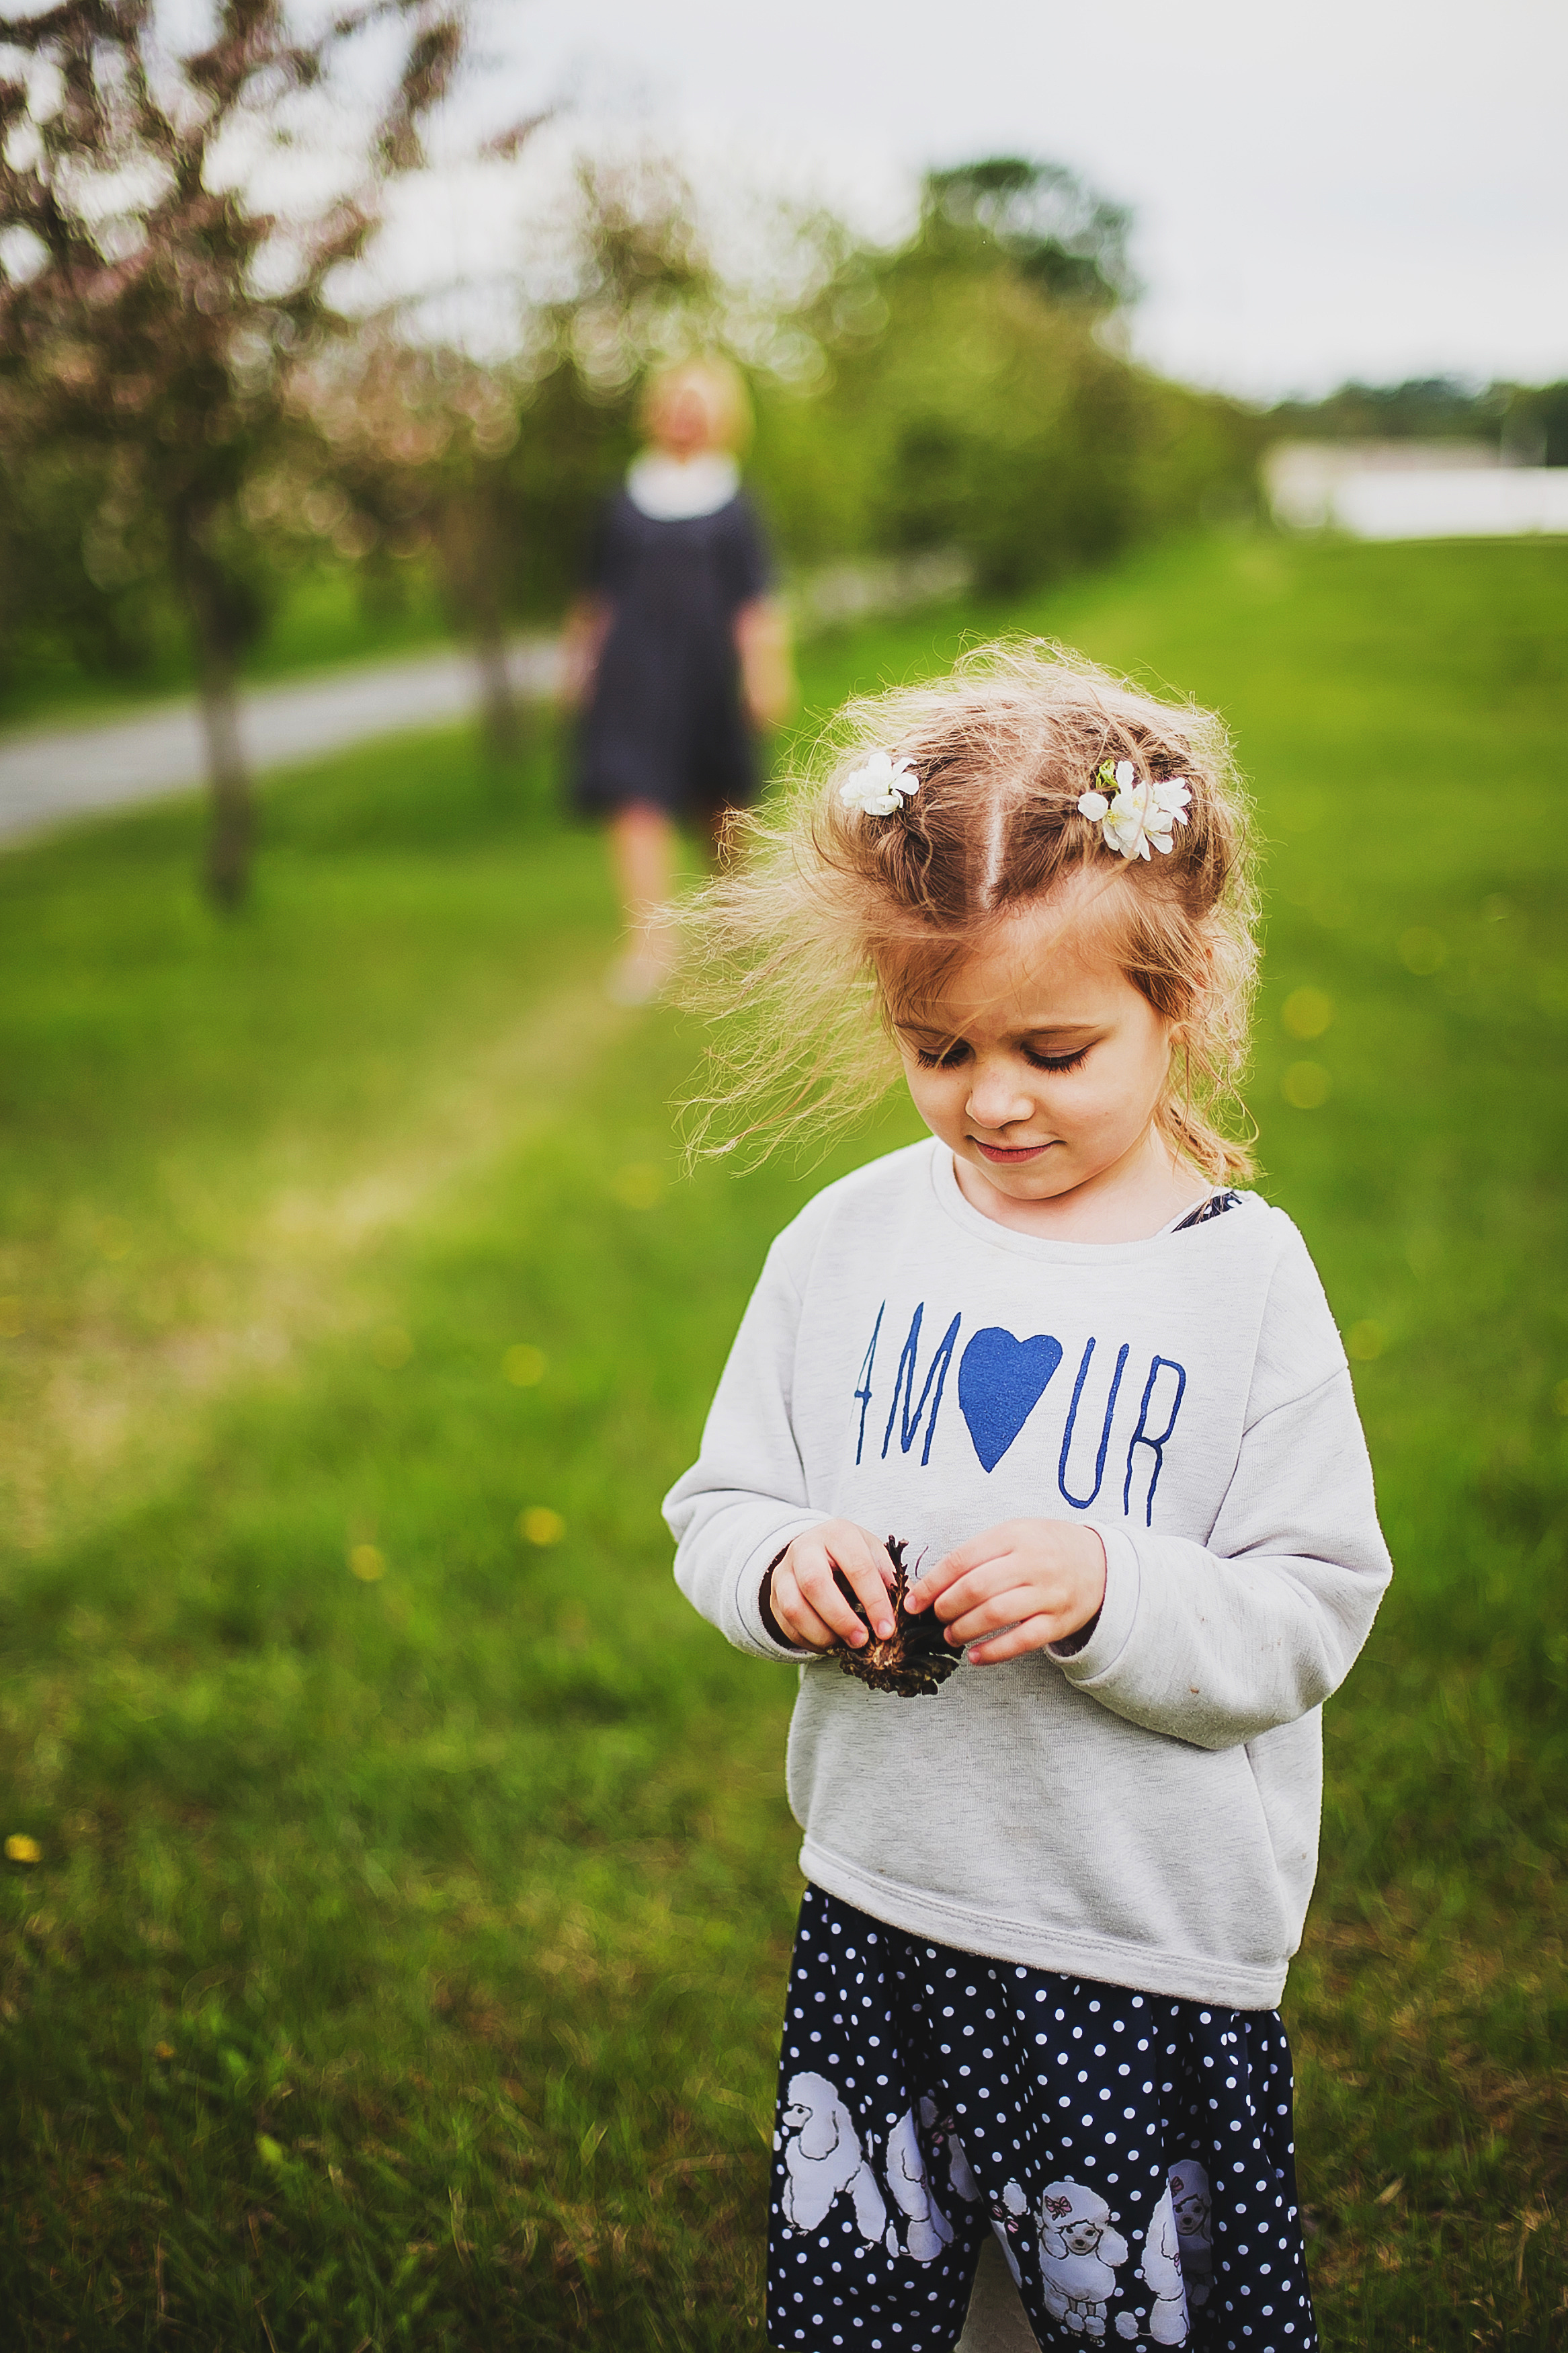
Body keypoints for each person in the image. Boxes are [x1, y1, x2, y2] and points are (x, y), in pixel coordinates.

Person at [663, 642, 1392, 2352]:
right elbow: (723, 1495)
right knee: (889, 2303)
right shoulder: (850, 1239)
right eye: (937, 1047)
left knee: (1123, 2304)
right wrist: (779, 1565)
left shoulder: (1239, 1284)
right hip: (884, 1901)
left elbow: (1310, 1604)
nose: (988, 1098)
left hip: (1130, 1943)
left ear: (1177, 1001)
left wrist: (1110, 1587)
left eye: (1053, 1049)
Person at [563, 356, 794, 1006]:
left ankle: (734, 914)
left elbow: (754, 602)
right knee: (633, 799)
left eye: (698, 405)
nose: (684, 416)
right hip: (632, 673)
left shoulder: (734, 501)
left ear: (721, 415)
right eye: (675, 403)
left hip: (707, 674)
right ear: (657, 412)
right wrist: (579, 666)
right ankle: (650, 946)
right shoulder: (625, 498)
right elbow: (597, 595)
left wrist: (765, 671)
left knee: (717, 804)